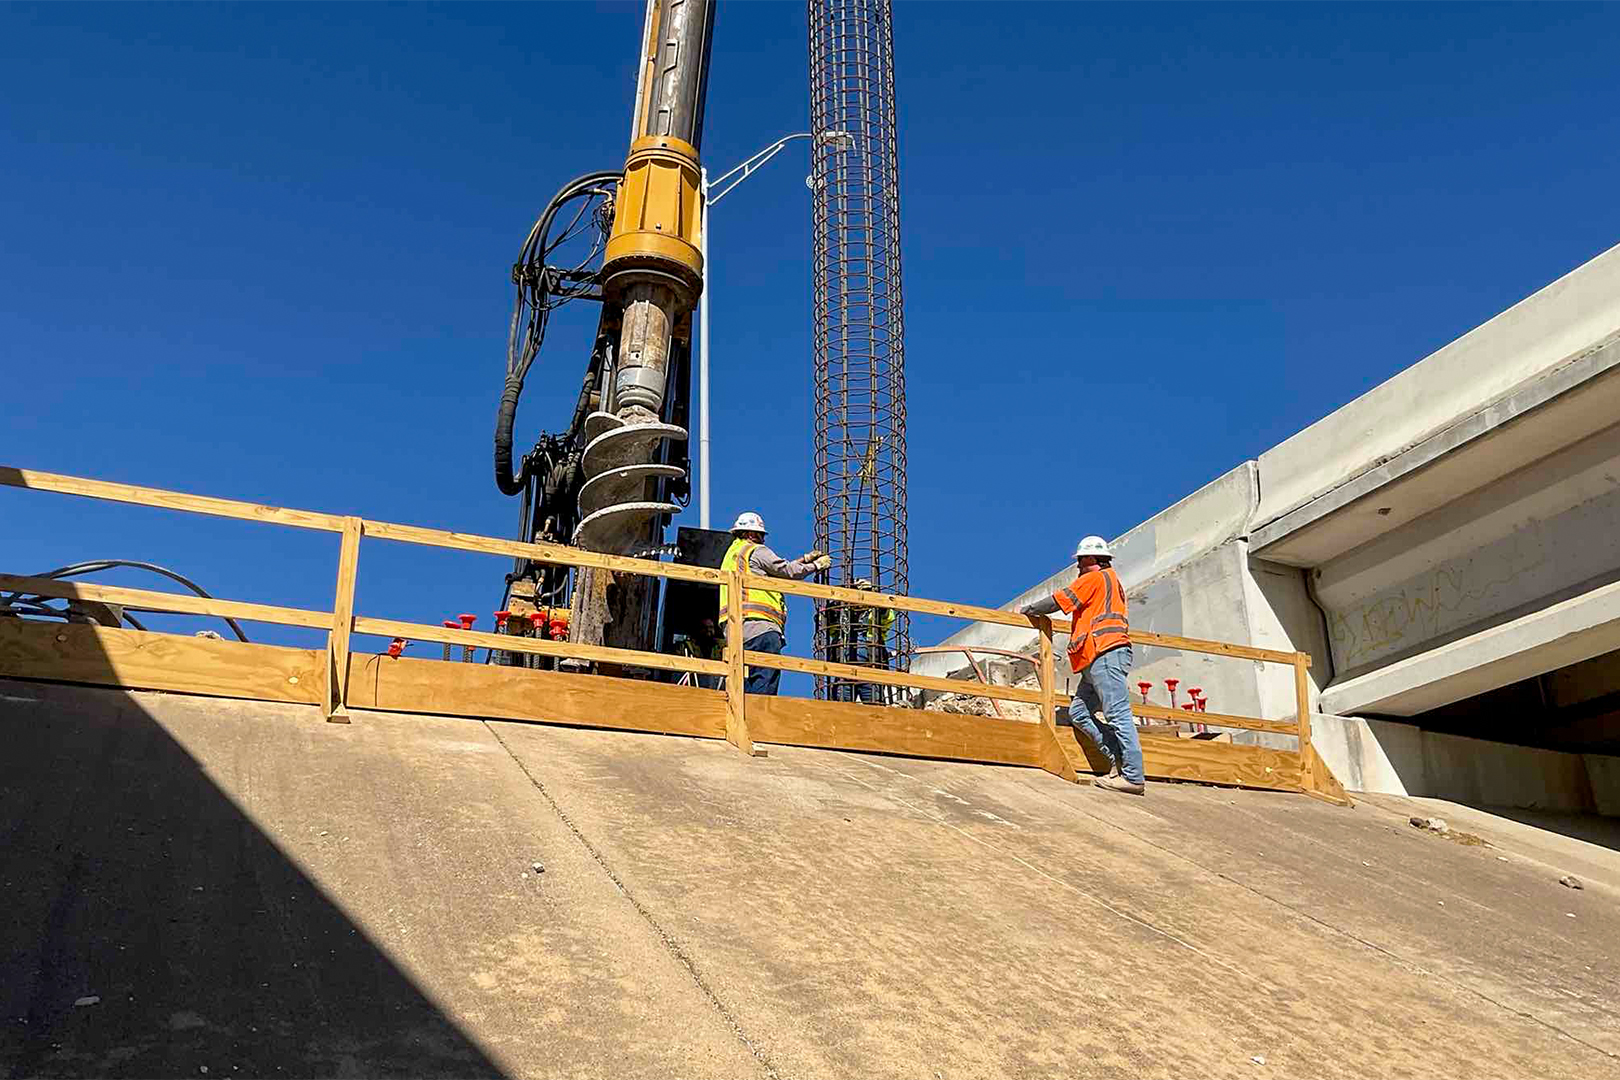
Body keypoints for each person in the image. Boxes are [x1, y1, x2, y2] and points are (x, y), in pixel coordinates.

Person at [1020, 535, 1144, 795]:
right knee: (1079, 713)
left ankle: (1133, 777)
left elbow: (1059, 600)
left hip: (1105, 652)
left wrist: (1030, 609)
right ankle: (1119, 762)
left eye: (1079, 561)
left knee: (1118, 714)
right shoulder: (1109, 581)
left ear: (1090, 558)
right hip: (1096, 655)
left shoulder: (1095, 578)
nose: (1077, 566)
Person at [718, 512, 831, 696]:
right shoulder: (756, 550)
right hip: (760, 626)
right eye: (761, 535)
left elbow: (774, 569)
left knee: (744, 681)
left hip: (735, 629)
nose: (763, 539)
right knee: (765, 678)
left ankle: (746, 717)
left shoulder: (732, 555)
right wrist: (816, 566)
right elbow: (787, 571)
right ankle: (759, 717)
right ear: (752, 534)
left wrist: (805, 559)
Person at [825, 578, 895, 704]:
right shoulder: (843, 614)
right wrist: (835, 607)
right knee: (841, 709)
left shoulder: (875, 613)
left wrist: (878, 601)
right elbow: (827, 625)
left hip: (870, 669)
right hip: (844, 669)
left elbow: (887, 616)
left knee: (874, 707)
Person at [675, 616, 723, 689]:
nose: (708, 630)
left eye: (711, 627)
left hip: (714, 684)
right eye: (705, 627)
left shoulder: (720, 646)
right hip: (693, 684)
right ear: (698, 630)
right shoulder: (688, 646)